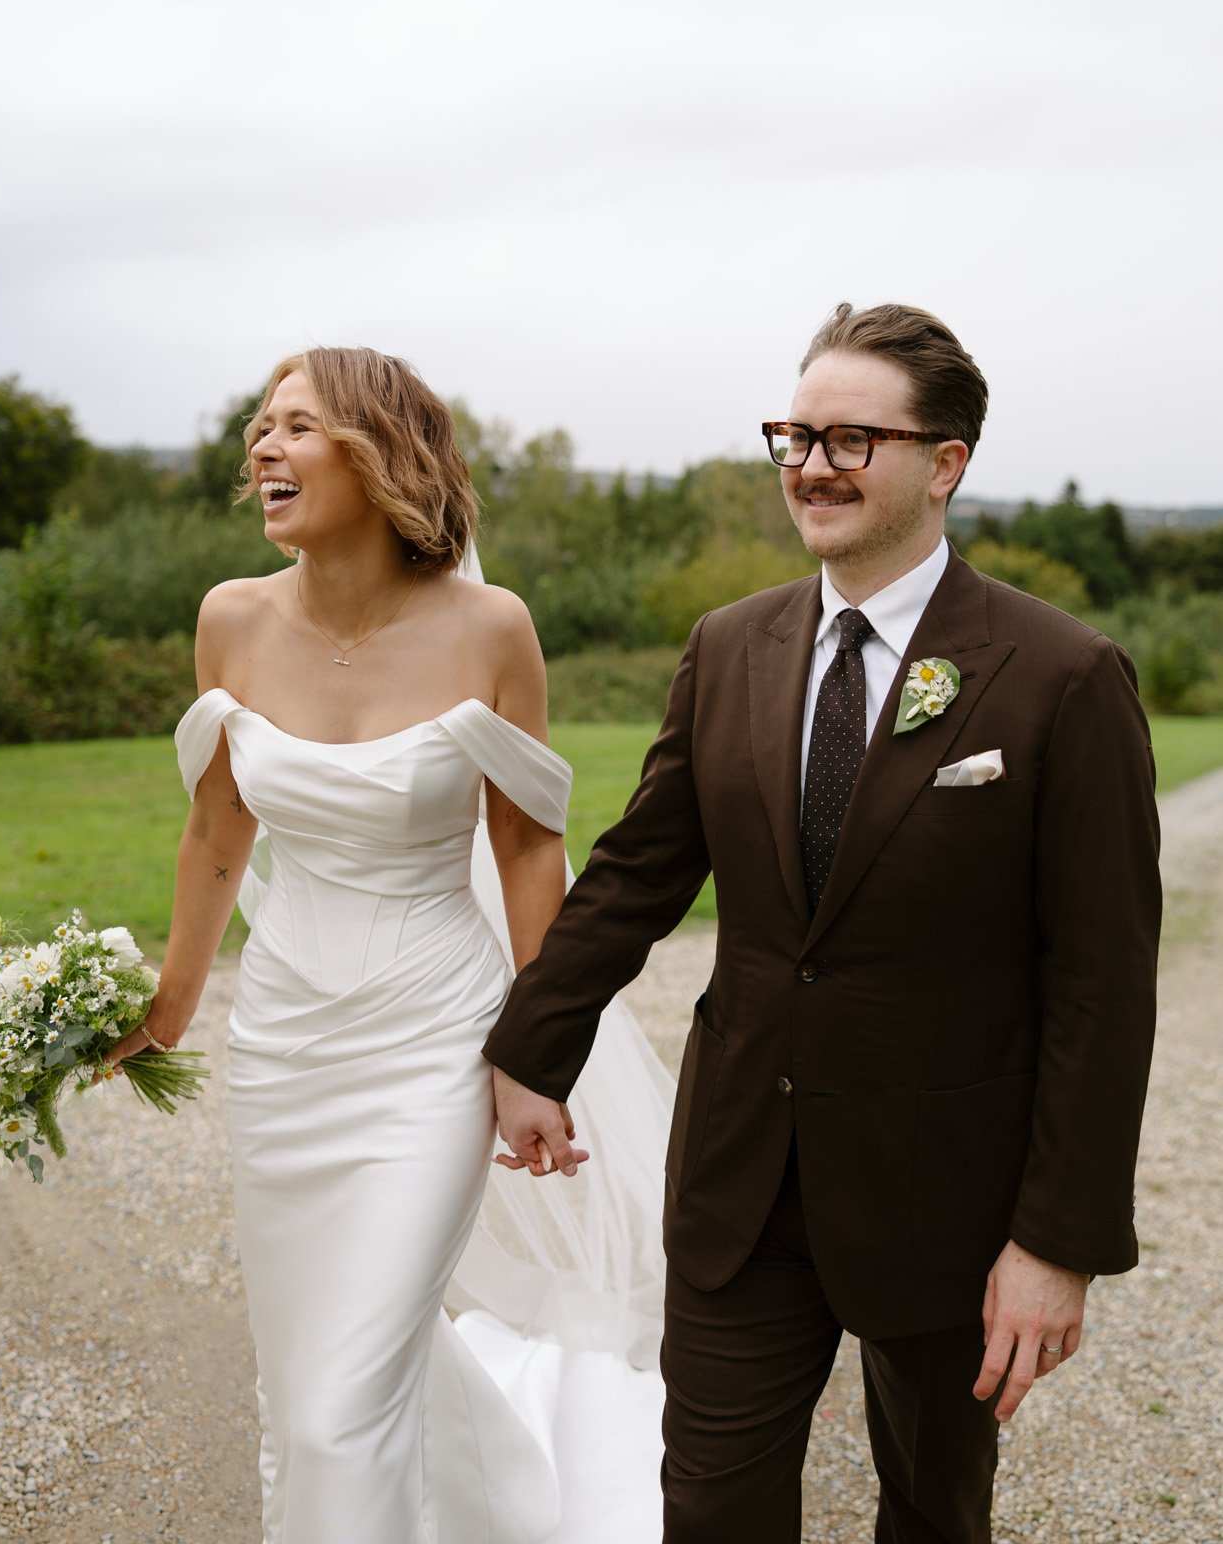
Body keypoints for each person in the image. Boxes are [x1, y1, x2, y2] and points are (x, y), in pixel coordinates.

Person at [488, 301, 1161, 1544]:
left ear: (944, 463)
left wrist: (1055, 1240)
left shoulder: (1062, 675)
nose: (809, 463)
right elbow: (639, 870)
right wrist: (532, 1047)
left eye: (850, 438)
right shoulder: (727, 647)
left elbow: (1103, 982)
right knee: (711, 1507)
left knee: (932, 1510)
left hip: (946, 1202)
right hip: (743, 1178)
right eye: (793, 433)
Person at [106, 346, 669, 1544]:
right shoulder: (230, 620)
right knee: (313, 1368)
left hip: (432, 1043)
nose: (260, 446)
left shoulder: (489, 629)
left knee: (337, 1398)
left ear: (377, 454)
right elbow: (216, 827)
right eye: (258, 426)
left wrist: (536, 1054)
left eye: (294, 426)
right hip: (285, 1052)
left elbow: (525, 848)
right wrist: (169, 1003)